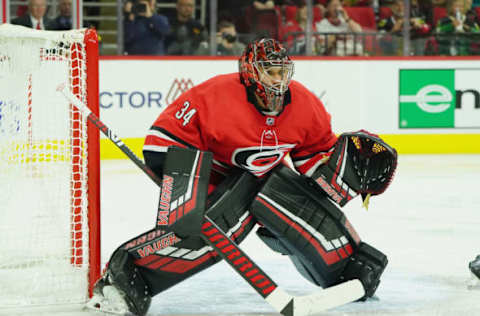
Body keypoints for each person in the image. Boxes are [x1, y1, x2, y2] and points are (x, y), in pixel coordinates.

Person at [86, 38, 397, 316]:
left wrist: (340, 177)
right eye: (270, 72)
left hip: (255, 175)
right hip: (200, 164)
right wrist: (189, 191)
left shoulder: (306, 106)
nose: (279, 80)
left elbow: (313, 158)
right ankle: (127, 276)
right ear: (250, 72)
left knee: (279, 191)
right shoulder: (215, 95)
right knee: (217, 220)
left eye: (282, 72)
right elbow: (162, 141)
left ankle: (346, 267)